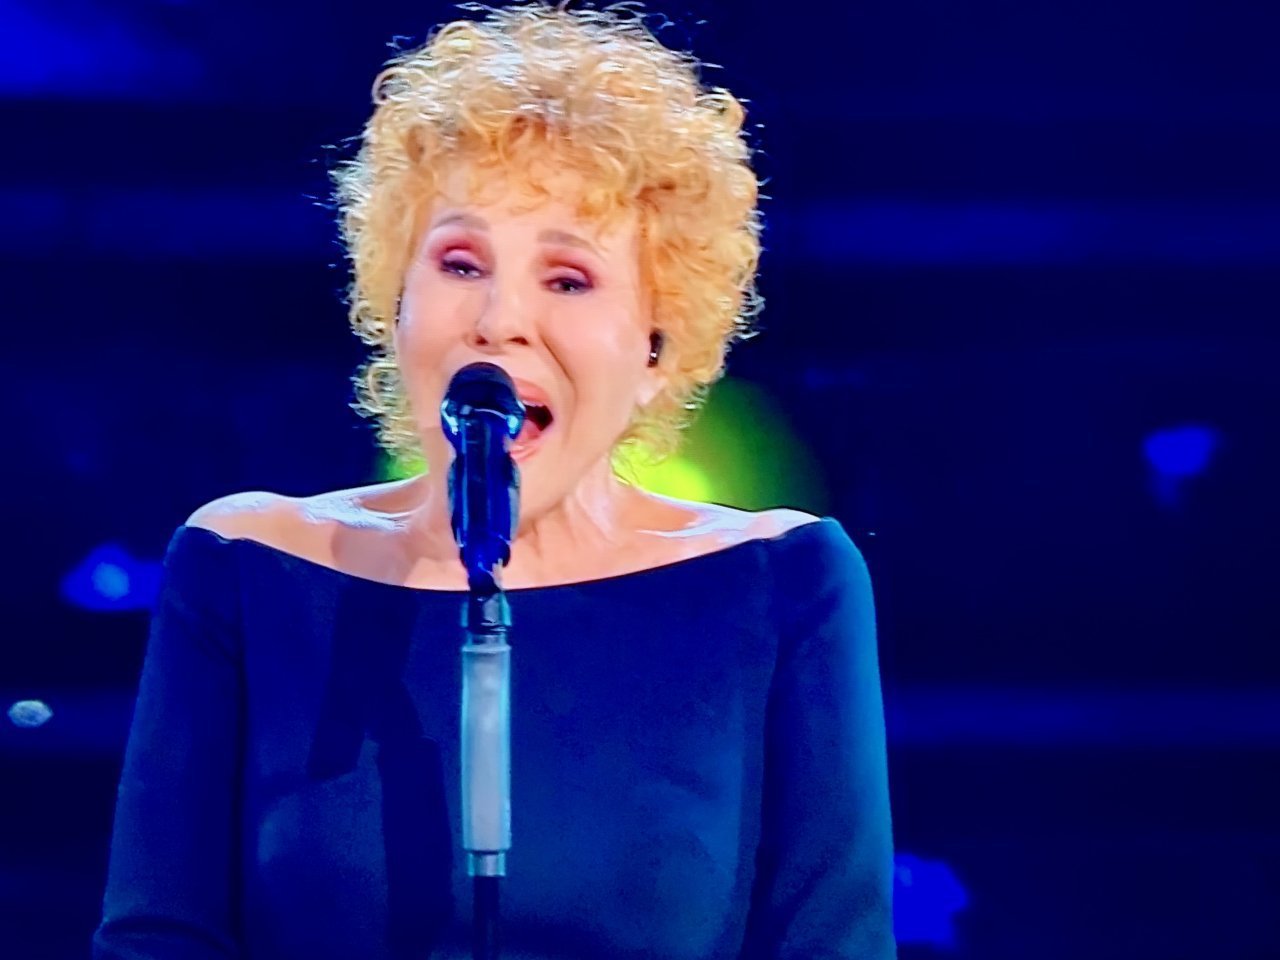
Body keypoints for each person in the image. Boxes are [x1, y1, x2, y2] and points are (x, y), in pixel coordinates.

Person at [92, 3, 896, 958]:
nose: (499, 319)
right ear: (396, 306)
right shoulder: (244, 565)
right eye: (461, 263)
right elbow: (159, 937)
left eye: (568, 279)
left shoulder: (783, 582)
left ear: (654, 349)